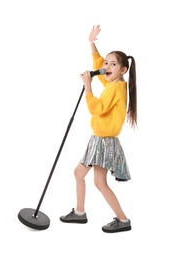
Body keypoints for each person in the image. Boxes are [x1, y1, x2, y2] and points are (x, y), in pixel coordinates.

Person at [60, 25, 137, 233]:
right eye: (106, 63)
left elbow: (97, 109)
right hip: (99, 139)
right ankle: (81, 213)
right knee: (86, 176)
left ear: (123, 70)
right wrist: (92, 44)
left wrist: (87, 86)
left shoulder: (117, 88)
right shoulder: (113, 84)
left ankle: (119, 219)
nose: (106, 66)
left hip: (103, 141)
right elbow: (101, 70)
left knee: (95, 181)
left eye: (113, 64)